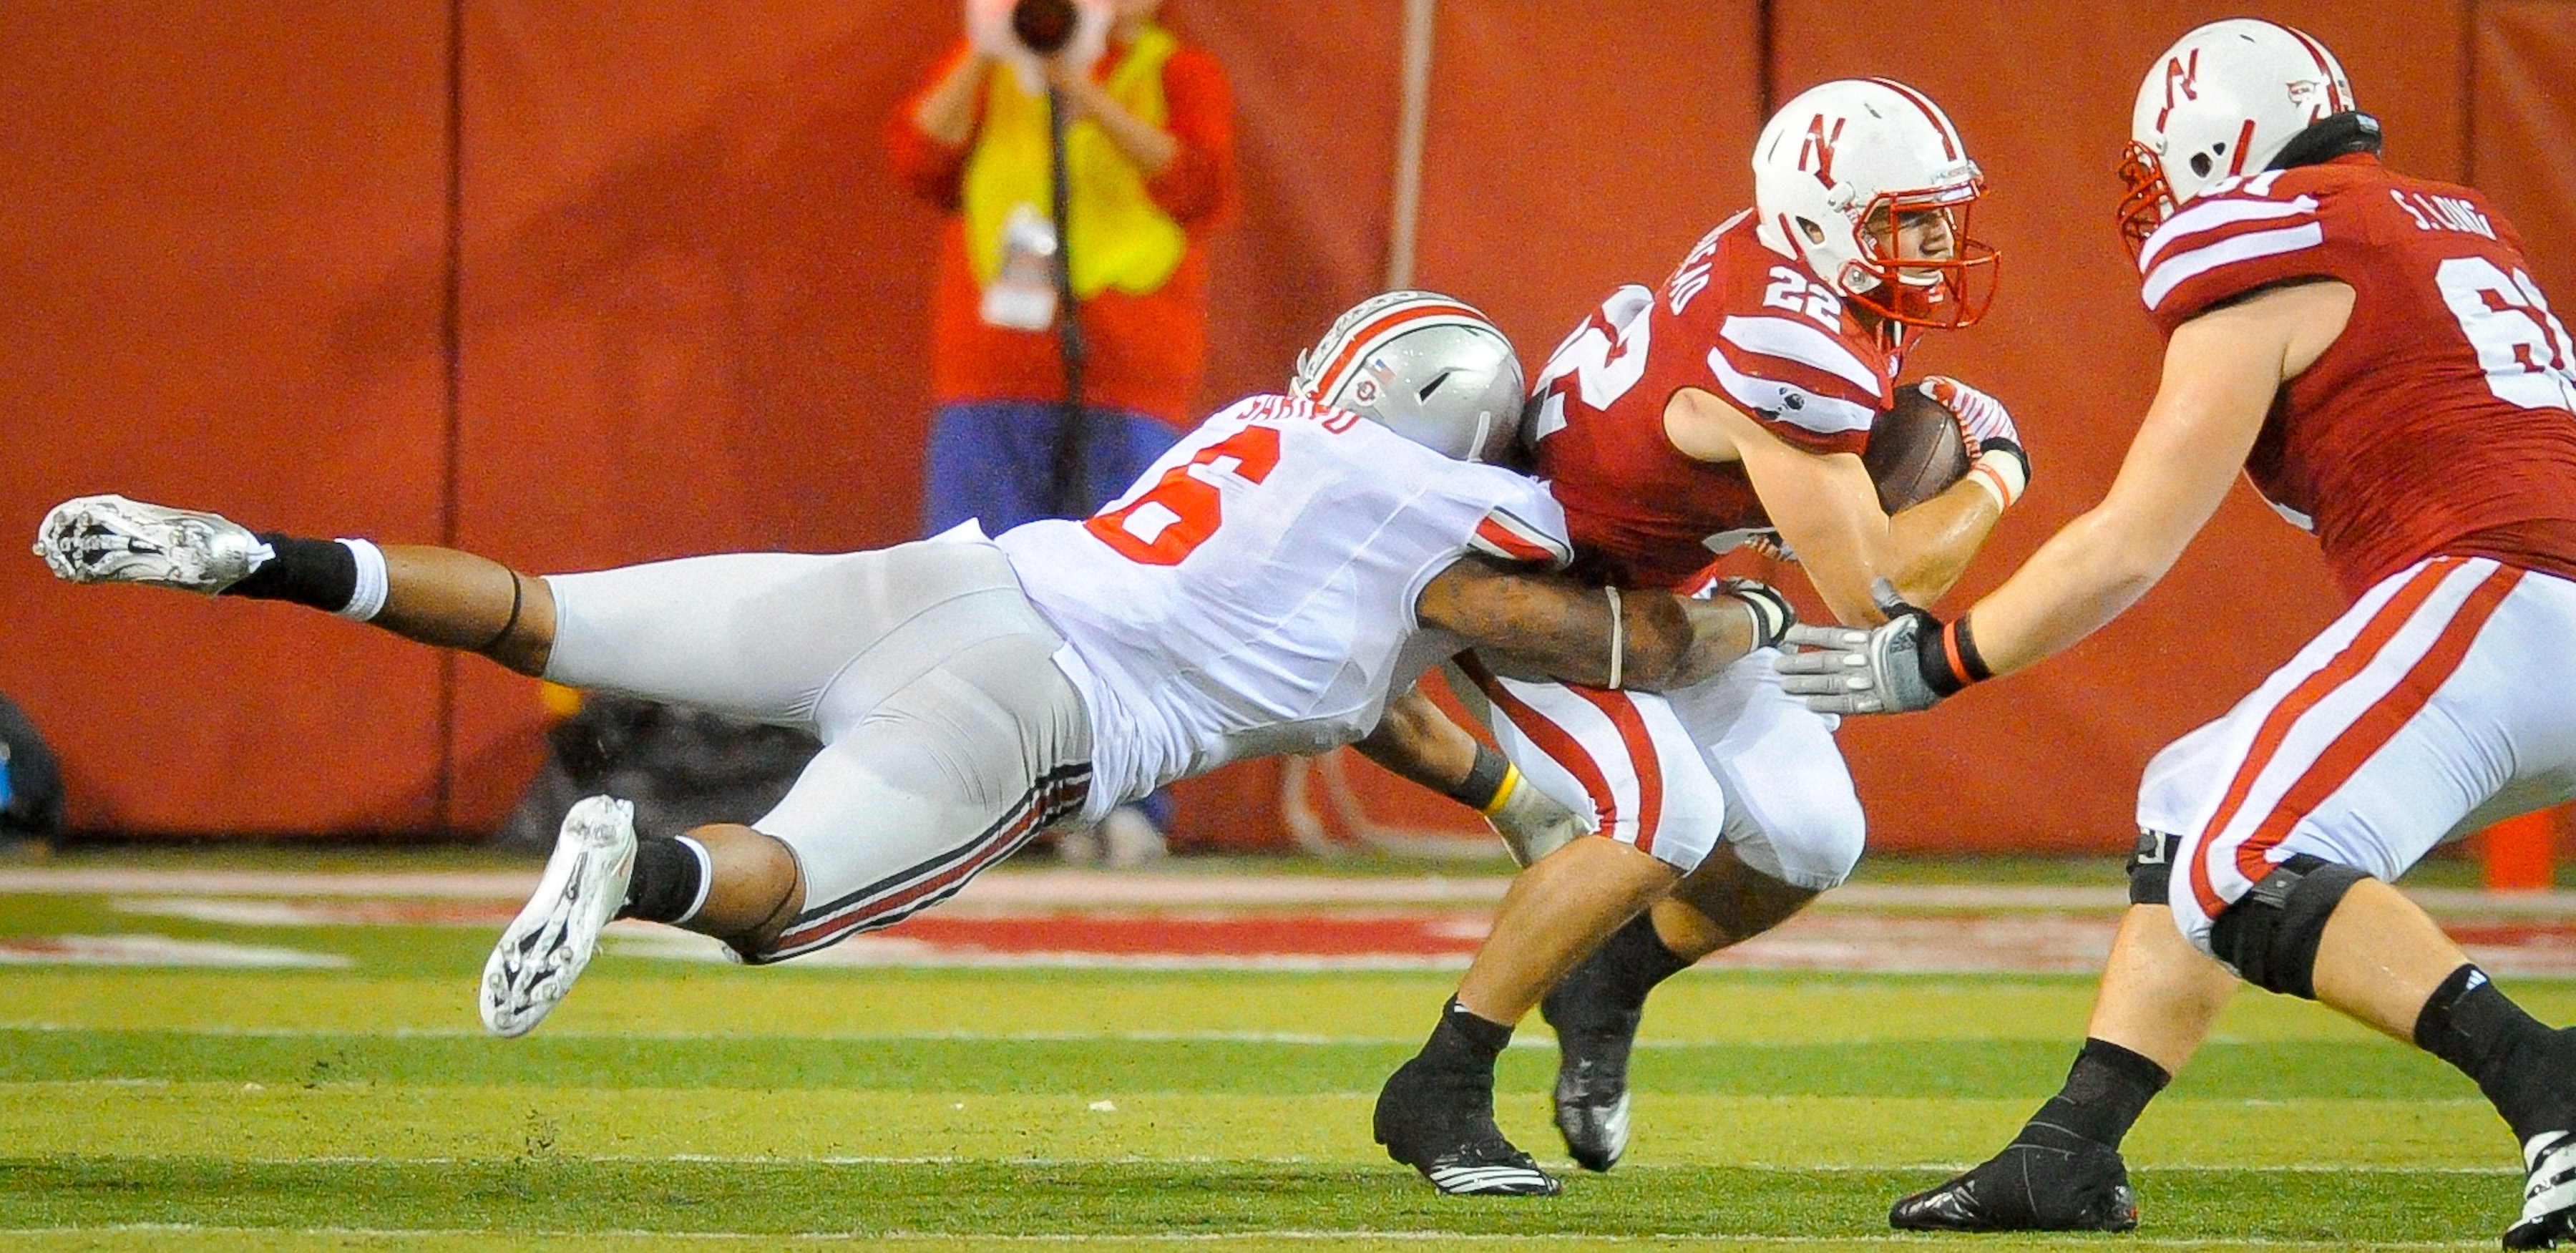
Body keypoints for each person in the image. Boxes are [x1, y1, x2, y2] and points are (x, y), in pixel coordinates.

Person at [34, 291, 1787, 1045]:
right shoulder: (1448, 514)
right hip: (1031, 709)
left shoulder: (1267, 436)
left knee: (539, 608)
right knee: (785, 901)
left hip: (925, 583)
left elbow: (1376, 686)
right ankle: (631, 859)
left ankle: (254, 556)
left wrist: (1496, 792)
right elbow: (1566, 635)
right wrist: (1745, 614)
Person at [1775, 21, 2576, 1248]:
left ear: (2216, 148)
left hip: (2499, 587)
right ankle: (2069, 1151)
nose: (2162, 205)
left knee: (2239, 856)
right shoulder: (2449, 218)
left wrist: (1938, 658)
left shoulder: (2265, 242)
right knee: (2188, 800)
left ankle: (2549, 1087)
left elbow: (2130, 544)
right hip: (2530, 596)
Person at [1360, 79, 2034, 1196]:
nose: (1934, 242)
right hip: (1550, 589)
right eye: (1904, 220)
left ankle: (1612, 977)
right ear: (1824, 222)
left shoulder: (1808, 275)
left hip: (1670, 580)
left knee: (1816, 837)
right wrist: (2001, 468)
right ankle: (1444, 1076)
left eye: (1937, 215)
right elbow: (1875, 587)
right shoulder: (1785, 340)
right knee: (1665, 815)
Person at [890, 0, 1234, 863]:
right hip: (992, 368)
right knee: (971, 583)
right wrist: (990, 51)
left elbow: (1200, 184)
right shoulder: (987, 62)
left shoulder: (1177, 72)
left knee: (1132, 593)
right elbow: (916, 159)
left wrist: (1093, 99)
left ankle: (1131, 803)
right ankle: (980, 798)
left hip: (1129, 372)